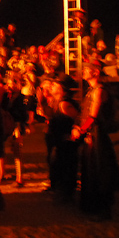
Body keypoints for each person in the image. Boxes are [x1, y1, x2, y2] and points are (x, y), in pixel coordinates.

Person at [71, 60, 119, 221]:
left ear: (96, 72)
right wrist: (76, 127)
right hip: (91, 133)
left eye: (87, 69)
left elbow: (93, 115)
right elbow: (84, 113)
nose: (84, 72)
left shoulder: (99, 91)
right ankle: (92, 206)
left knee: (99, 170)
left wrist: (82, 129)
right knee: (90, 169)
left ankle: (103, 209)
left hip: (96, 134)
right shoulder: (91, 90)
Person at [47, 73, 80, 202]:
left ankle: (66, 194)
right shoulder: (57, 102)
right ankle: (61, 191)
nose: (51, 87)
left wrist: (73, 131)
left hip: (66, 142)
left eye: (54, 85)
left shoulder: (65, 104)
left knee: (65, 166)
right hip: (58, 140)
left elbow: (78, 118)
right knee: (58, 165)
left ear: (62, 88)